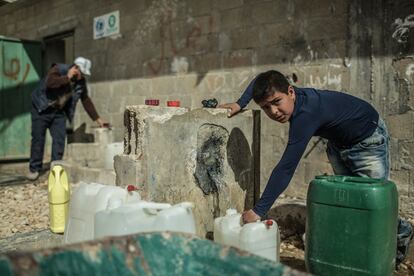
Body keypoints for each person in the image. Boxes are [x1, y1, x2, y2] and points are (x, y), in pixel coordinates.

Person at [219, 69, 413, 265]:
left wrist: (259, 210)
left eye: (277, 102)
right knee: (353, 203)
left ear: (291, 92)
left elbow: (286, 168)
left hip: (368, 140)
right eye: (266, 107)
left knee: (374, 206)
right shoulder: (287, 95)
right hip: (338, 143)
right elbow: (258, 81)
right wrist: (239, 103)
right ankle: (356, 252)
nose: (274, 112)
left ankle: (400, 233)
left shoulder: (306, 114)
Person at [26, 57, 106, 181]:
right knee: (38, 139)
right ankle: (34, 168)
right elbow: (50, 83)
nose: (82, 77)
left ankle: (55, 167)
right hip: (41, 109)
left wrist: (98, 119)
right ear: (75, 68)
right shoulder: (58, 69)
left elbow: (85, 100)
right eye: (82, 73)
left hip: (58, 111)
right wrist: (67, 77)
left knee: (59, 138)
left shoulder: (80, 82)